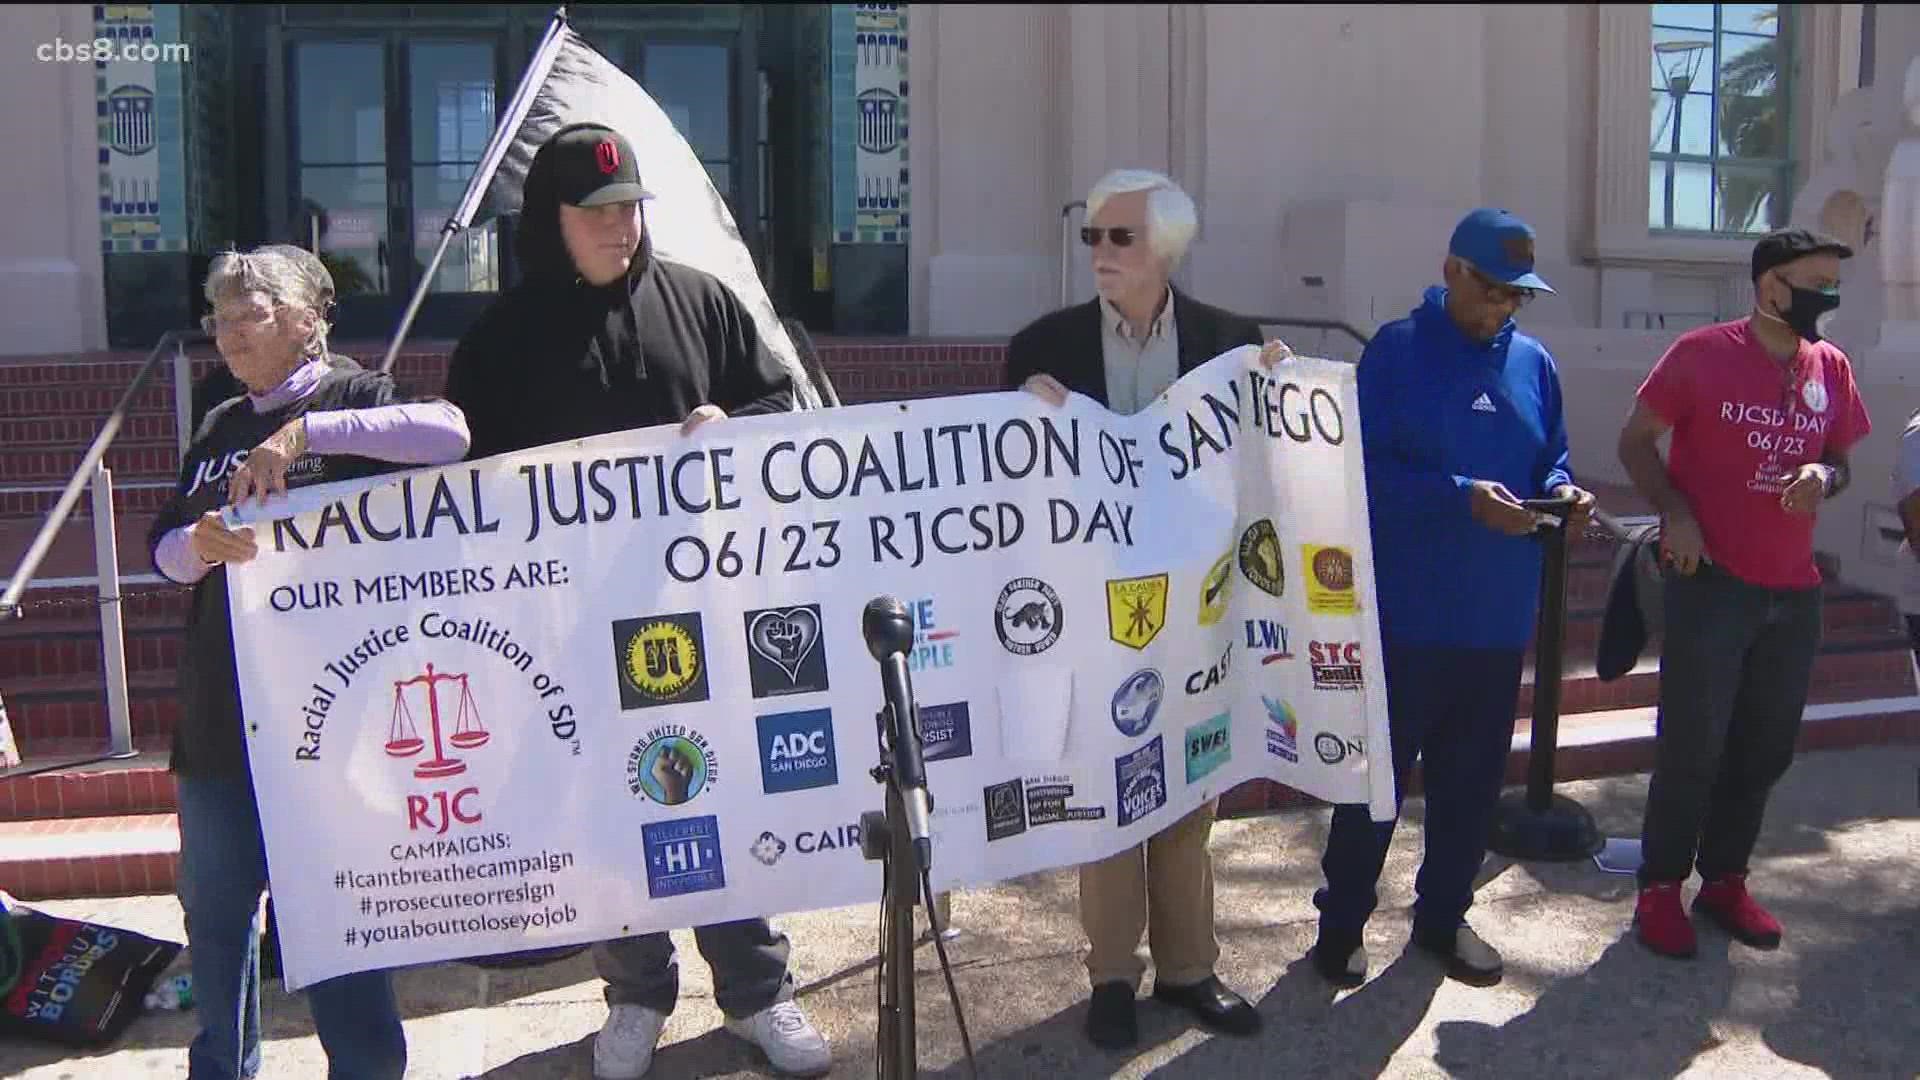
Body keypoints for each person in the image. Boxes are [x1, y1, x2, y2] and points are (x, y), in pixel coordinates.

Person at [440, 122, 829, 1080]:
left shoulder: (705, 303)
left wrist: (727, 423)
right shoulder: (497, 341)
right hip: (567, 628)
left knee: (718, 797)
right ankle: (635, 994)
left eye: (632, 209)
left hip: (701, 611)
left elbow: (784, 407)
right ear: (553, 221)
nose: (622, 227)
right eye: (598, 212)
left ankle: (757, 993)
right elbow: (464, 484)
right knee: (609, 815)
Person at [148, 244, 473, 1080]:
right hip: (223, 719)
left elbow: (449, 435)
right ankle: (222, 1066)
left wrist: (305, 433)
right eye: (218, 321)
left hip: (334, 725)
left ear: (307, 319)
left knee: (340, 916)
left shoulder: (357, 397)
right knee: (216, 919)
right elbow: (161, 549)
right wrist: (201, 542)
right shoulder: (219, 425)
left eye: (248, 318)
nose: (227, 338)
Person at [1303, 208, 1594, 990]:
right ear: (1452, 272)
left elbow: (1551, 455)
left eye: (1517, 297)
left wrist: (1562, 491)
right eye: (1493, 290)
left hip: (1496, 620)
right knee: (1375, 791)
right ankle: (1341, 926)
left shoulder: (1534, 363)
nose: (1504, 308)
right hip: (1408, 619)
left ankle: (1442, 918)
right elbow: (1358, 474)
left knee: (1470, 790)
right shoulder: (1396, 355)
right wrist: (1462, 496)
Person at [1007, 168, 1265, 1050]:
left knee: (1192, 792)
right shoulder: (1041, 348)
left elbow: (1264, 469)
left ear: (1167, 248)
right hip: (1092, 608)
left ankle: (1192, 968)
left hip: (1198, 610)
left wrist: (1280, 390)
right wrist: (1024, 419)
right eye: (1092, 237)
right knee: (1109, 792)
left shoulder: (1234, 345)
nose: (1101, 254)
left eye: (1119, 238)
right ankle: (1112, 975)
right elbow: (1012, 483)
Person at [1617, 228, 1870, 959]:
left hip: (1794, 593)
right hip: (1712, 586)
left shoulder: (1832, 367)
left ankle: (1724, 881)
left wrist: (1826, 477)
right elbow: (1636, 442)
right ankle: (1659, 890)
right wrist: (1678, 514)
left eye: (1834, 285)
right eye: (1815, 284)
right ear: (1770, 288)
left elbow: (1841, 461)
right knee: (1693, 745)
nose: (1828, 298)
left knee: (1762, 748)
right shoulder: (1700, 355)